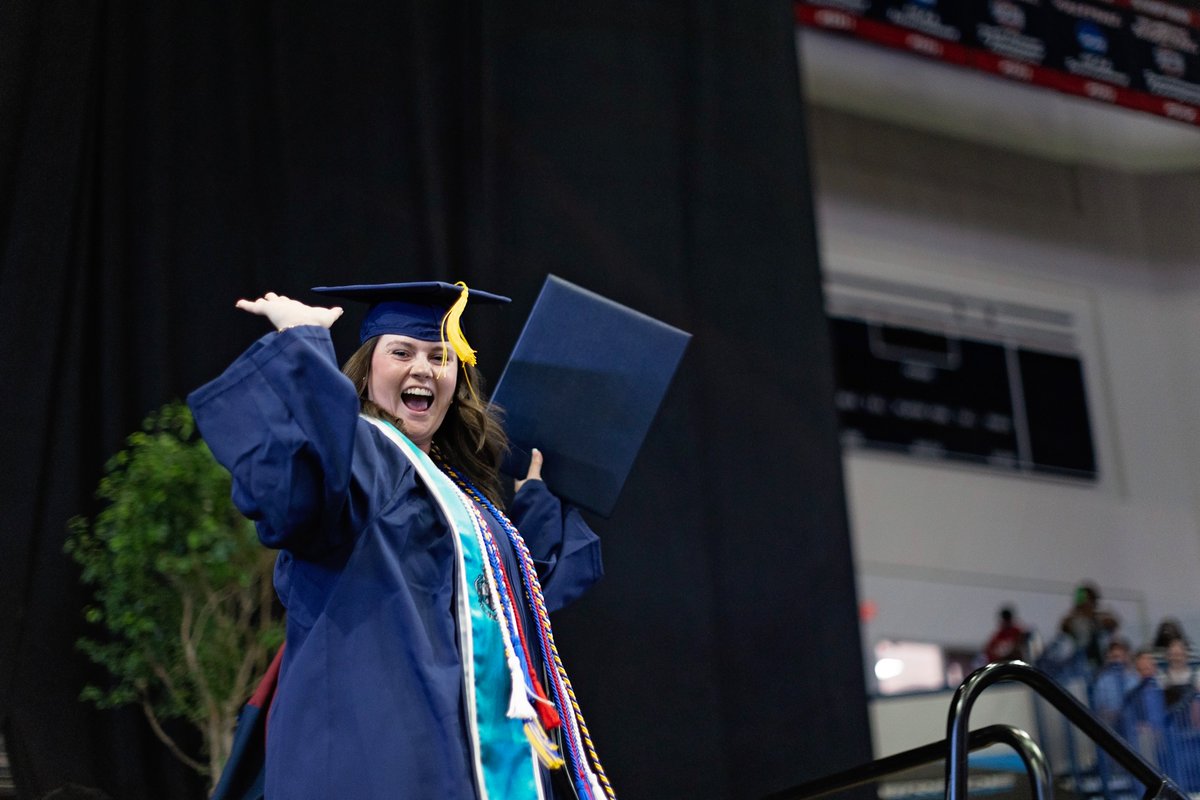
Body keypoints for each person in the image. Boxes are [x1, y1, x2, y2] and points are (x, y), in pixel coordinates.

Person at [188, 282, 613, 800]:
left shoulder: (463, 498)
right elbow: (305, 487)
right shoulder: (365, 456)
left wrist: (534, 503)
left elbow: (511, 608)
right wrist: (304, 347)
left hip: (467, 758)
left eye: (440, 356)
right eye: (402, 352)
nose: (424, 368)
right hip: (380, 751)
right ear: (367, 372)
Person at [1059, 581, 1120, 669]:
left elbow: (1113, 623)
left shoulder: (1101, 618)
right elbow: (1064, 626)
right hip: (1080, 663)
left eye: (1089, 600)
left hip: (1099, 663)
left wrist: (1094, 617)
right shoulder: (1074, 620)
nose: (1086, 605)